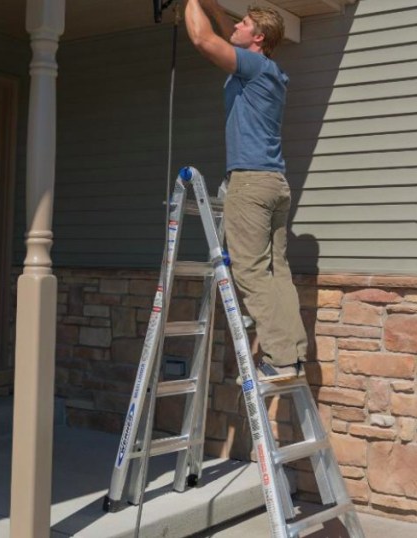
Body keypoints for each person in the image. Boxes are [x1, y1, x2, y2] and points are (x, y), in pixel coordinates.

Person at [184, 0, 307, 381]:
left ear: (258, 38)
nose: (236, 26)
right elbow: (224, 32)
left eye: (245, 24)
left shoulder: (252, 67)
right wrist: (209, 4)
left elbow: (204, 40)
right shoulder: (268, 70)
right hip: (275, 182)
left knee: (250, 270)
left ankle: (278, 358)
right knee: (277, 271)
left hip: (251, 183)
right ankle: (293, 355)